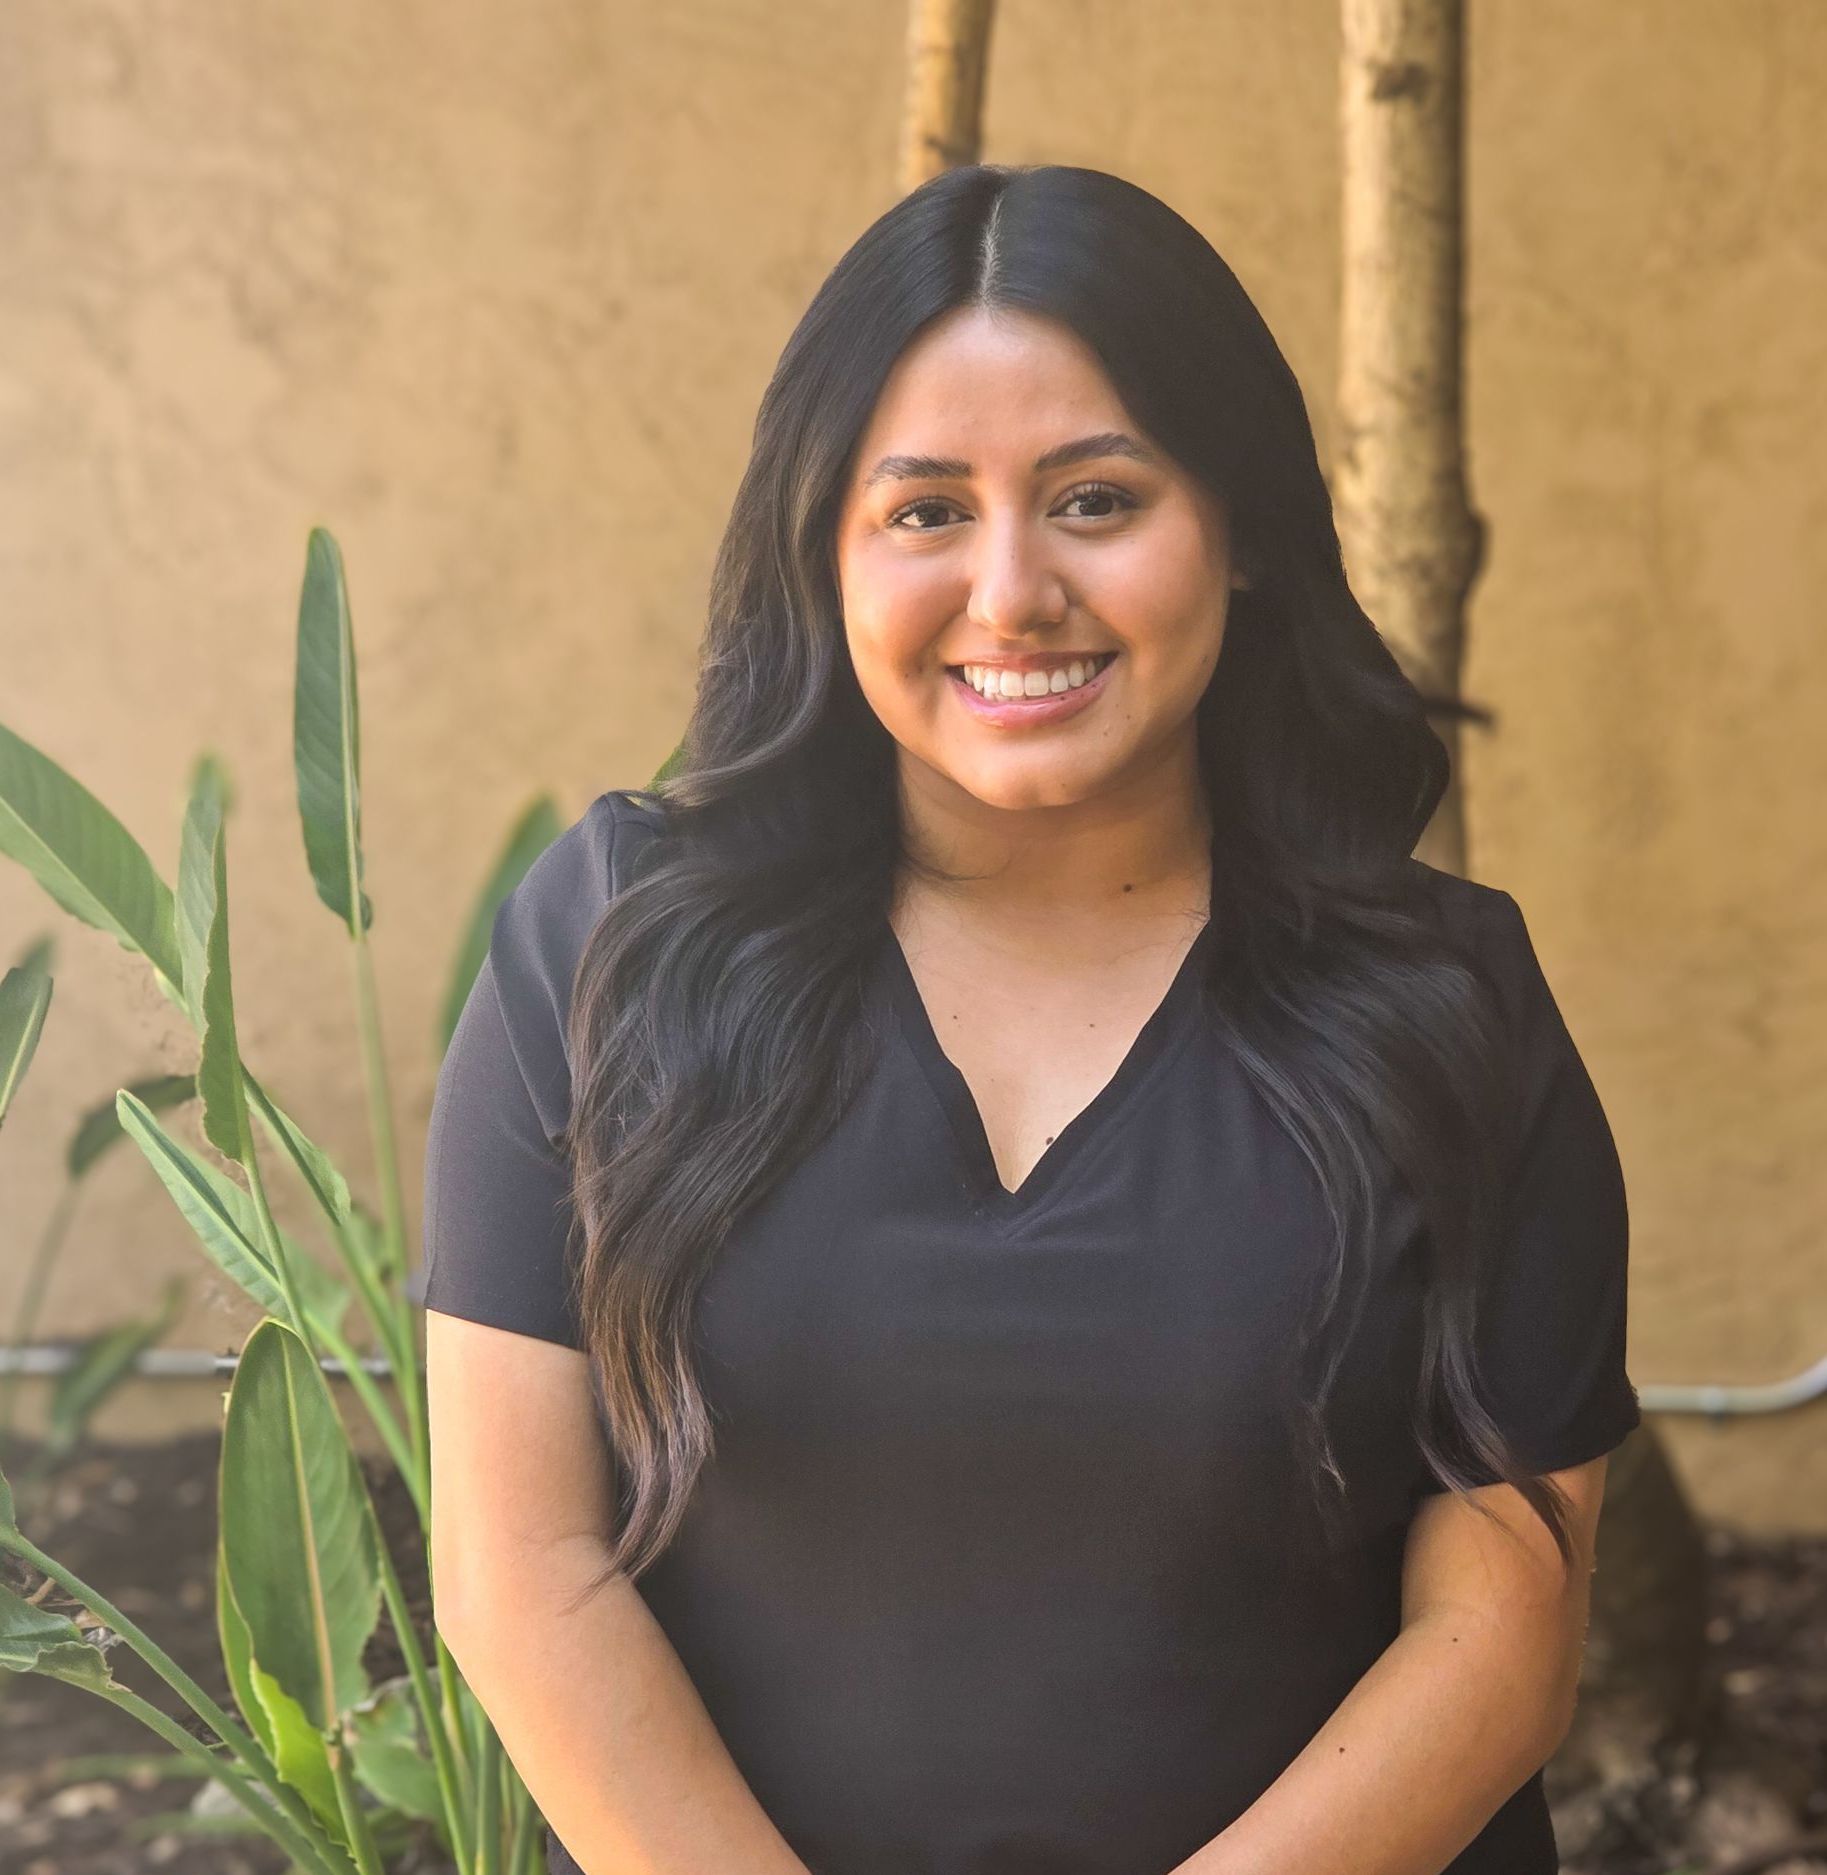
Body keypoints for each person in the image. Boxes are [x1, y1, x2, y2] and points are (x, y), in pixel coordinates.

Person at [421, 163, 1641, 1875]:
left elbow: (1501, 1644)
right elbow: (514, 1566)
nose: (1010, 592)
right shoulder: (614, 944)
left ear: (1245, 538)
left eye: (1095, 499)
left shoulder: (1447, 1005)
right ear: (825, 552)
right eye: (925, 512)